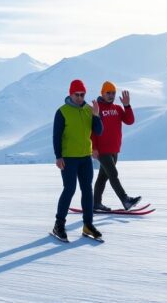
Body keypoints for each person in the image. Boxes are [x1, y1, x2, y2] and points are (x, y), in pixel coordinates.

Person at [51, 79, 104, 242]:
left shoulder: (89, 110)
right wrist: (58, 156)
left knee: (87, 190)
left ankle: (88, 225)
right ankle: (59, 224)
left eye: (82, 95)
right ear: (71, 94)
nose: (80, 98)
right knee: (69, 189)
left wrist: (96, 115)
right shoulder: (62, 111)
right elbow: (56, 136)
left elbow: (99, 131)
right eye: (77, 95)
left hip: (85, 157)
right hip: (68, 158)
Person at [91, 81, 141, 212]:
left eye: (113, 93)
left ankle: (95, 203)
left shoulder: (118, 109)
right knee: (113, 173)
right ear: (102, 93)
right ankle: (125, 200)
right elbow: (92, 130)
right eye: (108, 93)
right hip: (102, 150)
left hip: (114, 149)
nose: (111, 95)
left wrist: (127, 106)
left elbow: (129, 121)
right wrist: (94, 148)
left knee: (103, 176)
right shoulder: (97, 109)